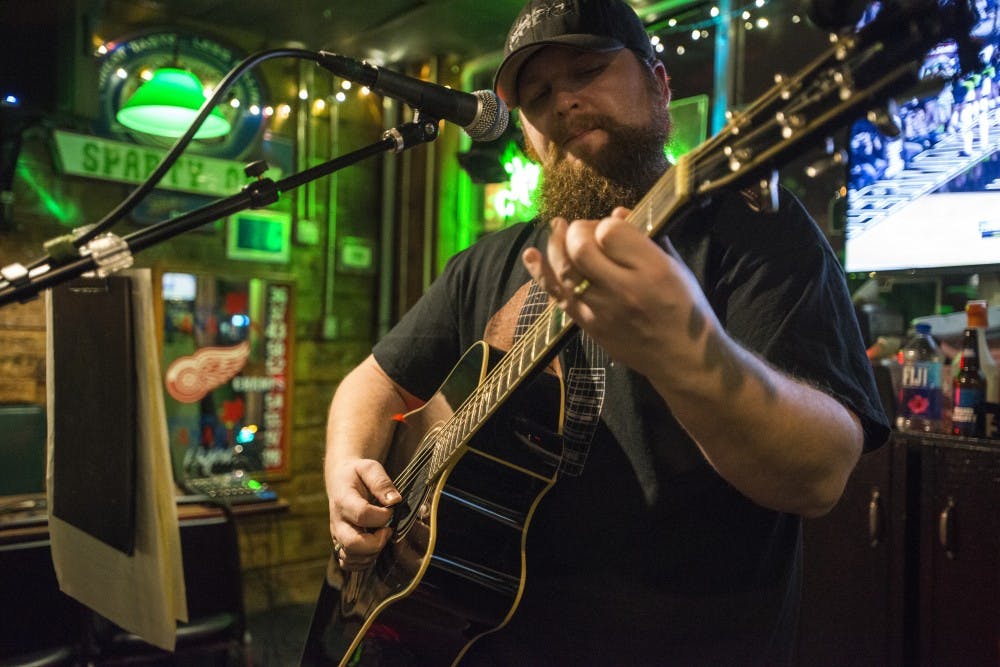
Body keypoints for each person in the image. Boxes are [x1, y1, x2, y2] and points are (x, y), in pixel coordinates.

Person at [323, 0, 891, 664]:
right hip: (464, 639)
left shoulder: (751, 229)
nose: (562, 102)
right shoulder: (489, 260)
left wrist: (686, 352)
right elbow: (373, 380)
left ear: (659, 84)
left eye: (587, 70)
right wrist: (345, 475)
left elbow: (820, 475)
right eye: (537, 94)